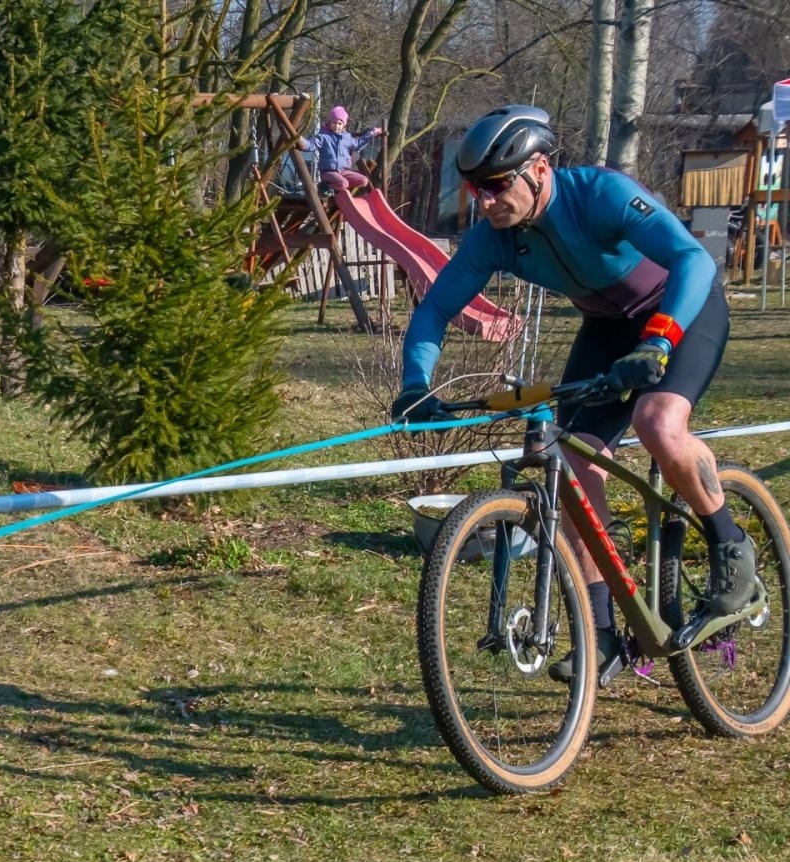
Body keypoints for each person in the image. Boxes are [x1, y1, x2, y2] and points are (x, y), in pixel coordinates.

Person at [391, 104, 756, 687]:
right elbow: (436, 306)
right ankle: (606, 632)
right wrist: (416, 383)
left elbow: (692, 258)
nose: (483, 202)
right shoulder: (495, 238)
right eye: (473, 189)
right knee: (574, 464)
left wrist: (659, 340)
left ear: (537, 169)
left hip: (680, 310)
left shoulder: (601, 194)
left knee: (658, 423)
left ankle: (731, 547)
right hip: (608, 330)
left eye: (494, 186)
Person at [301, 106, 382, 194]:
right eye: (334, 123)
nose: (337, 126)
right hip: (328, 172)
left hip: (343, 171)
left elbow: (358, 144)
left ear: (344, 125)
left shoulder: (346, 138)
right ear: (330, 123)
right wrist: (301, 140)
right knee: (343, 183)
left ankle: (338, 189)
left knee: (364, 181)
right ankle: (325, 185)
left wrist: (371, 134)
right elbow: (311, 145)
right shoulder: (324, 136)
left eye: (339, 124)